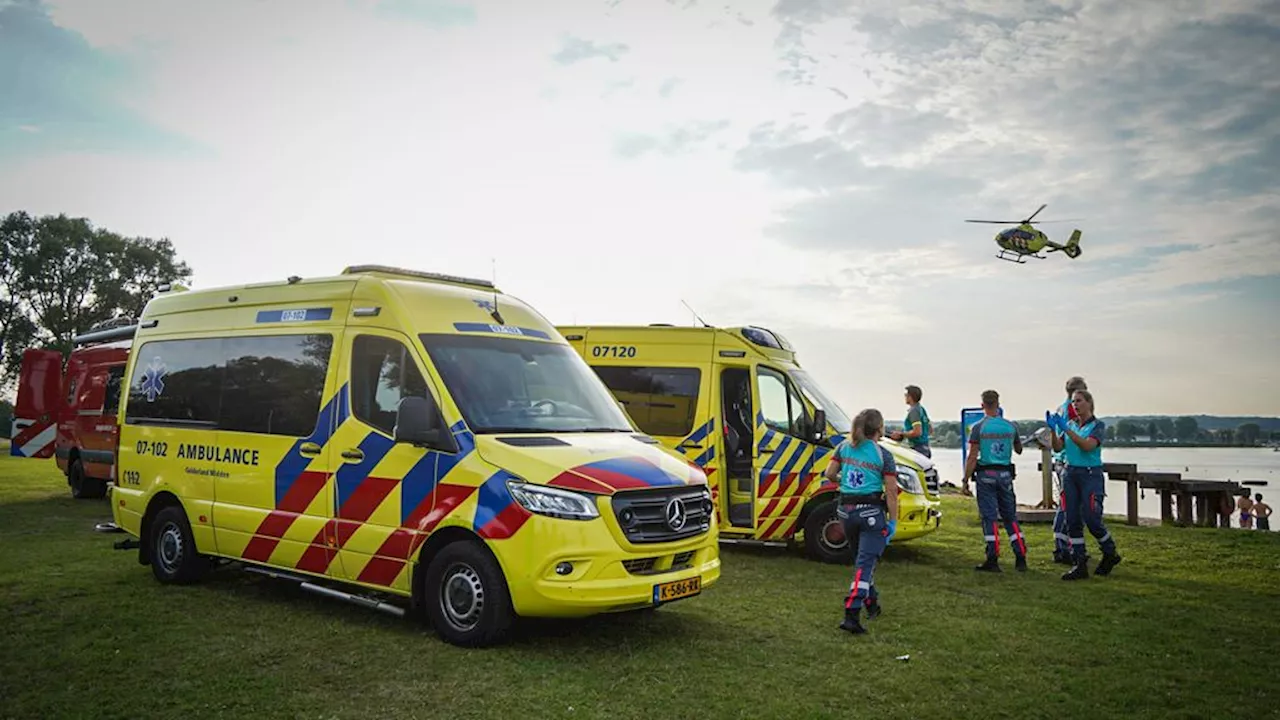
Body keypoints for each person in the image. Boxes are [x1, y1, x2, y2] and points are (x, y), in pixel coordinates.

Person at [825, 408, 899, 635]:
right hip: (870, 514)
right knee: (865, 564)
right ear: (879, 429)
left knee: (862, 560)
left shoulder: (844, 447)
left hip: (846, 512)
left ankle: (872, 603)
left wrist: (845, 480)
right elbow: (891, 492)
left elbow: (829, 474)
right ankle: (852, 612)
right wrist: (893, 521)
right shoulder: (883, 455)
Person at [1049, 389, 1121, 580]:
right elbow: (1058, 447)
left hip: (1090, 475)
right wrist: (1052, 430)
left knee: (1092, 518)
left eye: (1079, 401)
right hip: (1070, 474)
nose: (1075, 405)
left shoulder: (1098, 426)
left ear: (1089, 403)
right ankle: (1079, 562)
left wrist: (1066, 430)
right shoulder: (1071, 424)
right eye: (1073, 402)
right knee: (1071, 519)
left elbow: (1087, 445)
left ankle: (1110, 552)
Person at [963, 390, 1028, 572]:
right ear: (998, 404)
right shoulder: (1010, 426)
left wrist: (965, 480)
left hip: (986, 476)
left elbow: (972, 456)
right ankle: (1021, 556)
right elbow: (1019, 450)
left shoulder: (978, 427)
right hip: (1006, 476)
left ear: (982, 405)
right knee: (1010, 517)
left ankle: (993, 558)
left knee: (990, 518)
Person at [1050, 376, 1087, 564]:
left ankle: (1065, 545)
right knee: (1069, 507)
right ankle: (1063, 547)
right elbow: (1076, 435)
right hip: (1068, 461)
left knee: (1066, 504)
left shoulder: (1060, 408)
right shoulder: (1073, 409)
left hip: (1060, 460)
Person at [889, 385, 931, 458]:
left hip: (918, 449)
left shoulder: (914, 411)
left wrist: (901, 435)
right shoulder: (922, 409)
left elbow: (917, 432)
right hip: (926, 448)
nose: (905, 397)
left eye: (906, 395)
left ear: (910, 396)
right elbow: (930, 430)